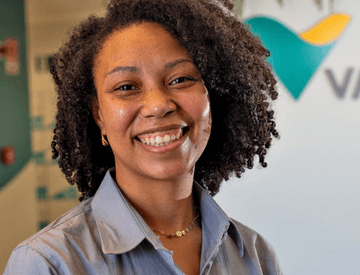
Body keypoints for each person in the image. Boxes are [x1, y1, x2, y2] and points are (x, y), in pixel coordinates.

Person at [4, 0, 281, 274]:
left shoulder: (256, 256)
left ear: (215, 94)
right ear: (99, 115)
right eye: (126, 87)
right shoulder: (48, 263)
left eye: (180, 79)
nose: (158, 104)